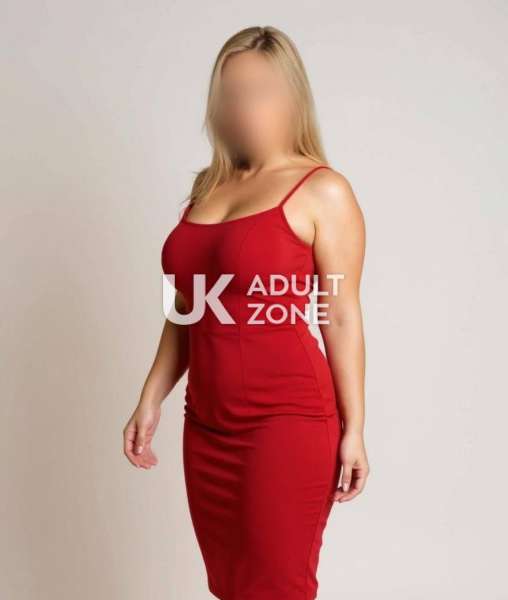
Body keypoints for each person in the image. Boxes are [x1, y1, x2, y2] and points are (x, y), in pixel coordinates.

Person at [123, 25, 369, 600]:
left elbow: (340, 316)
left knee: (276, 587)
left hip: (285, 421)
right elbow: (189, 307)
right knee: (231, 586)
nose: (243, 106)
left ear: (292, 98)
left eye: (260, 91)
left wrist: (355, 428)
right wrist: (151, 397)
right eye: (231, 93)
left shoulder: (322, 190)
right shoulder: (207, 189)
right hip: (205, 423)